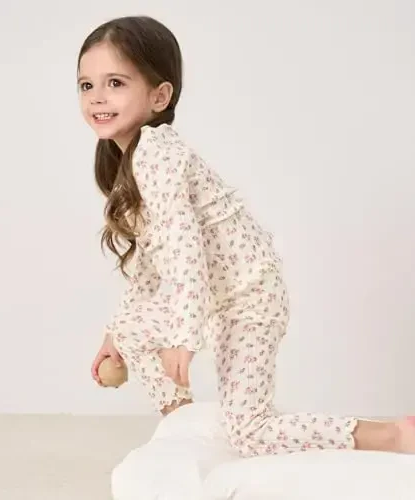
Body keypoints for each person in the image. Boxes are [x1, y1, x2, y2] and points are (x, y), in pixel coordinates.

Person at [76, 15, 415, 457]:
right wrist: (115, 335)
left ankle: (393, 436)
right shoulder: (130, 163)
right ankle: (181, 422)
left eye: (116, 83)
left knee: (250, 432)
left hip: (250, 298)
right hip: (225, 296)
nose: (98, 98)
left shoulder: (157, 152)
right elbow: (151, 267)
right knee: (133, 329)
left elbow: (183, 248)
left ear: (160, 96)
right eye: (87, 85)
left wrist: (183, 336)